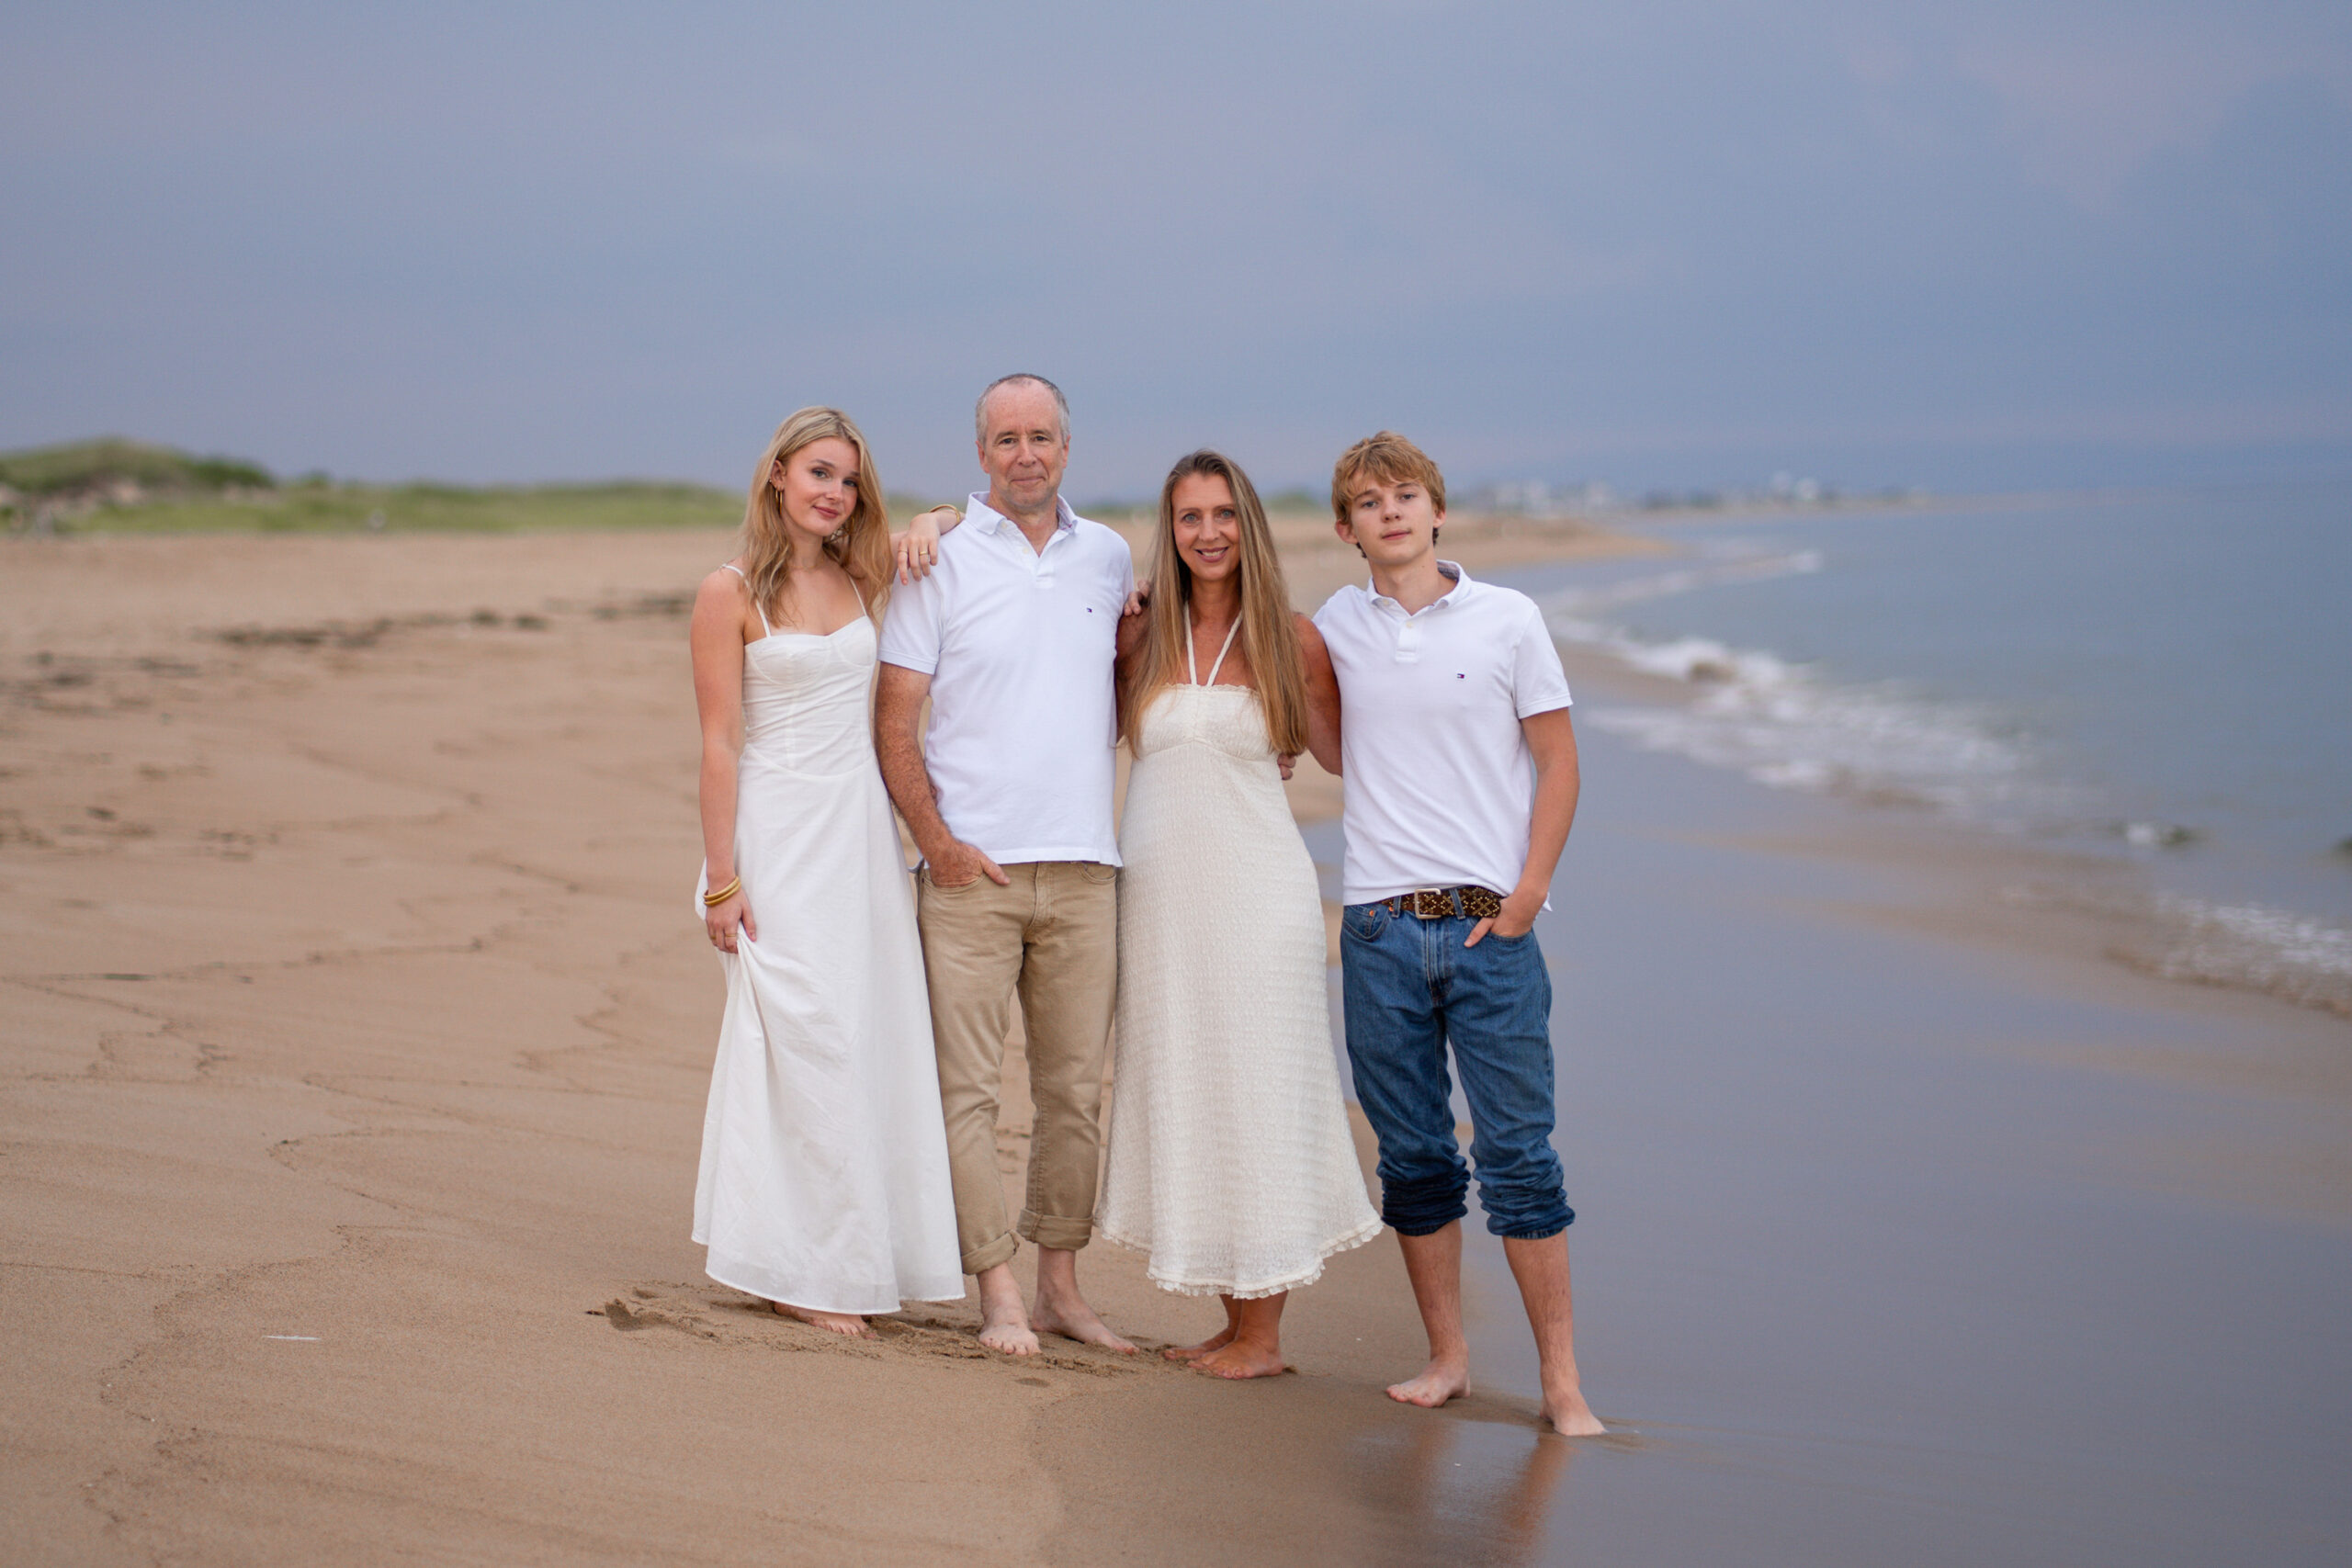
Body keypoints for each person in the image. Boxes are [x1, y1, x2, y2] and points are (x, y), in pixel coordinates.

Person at [1312, 431, 1604, 1434]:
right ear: (1345, 529)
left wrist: (1525, 896)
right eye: (1366, 501)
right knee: (1415, 1157)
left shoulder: (1510, 620)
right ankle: (1447, 1358)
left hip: (1491, 930)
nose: (1388, 512)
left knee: (1521, 1156)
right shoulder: (1333, 627)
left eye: (1404, 495)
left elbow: (1557, 765)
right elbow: (1318, 734)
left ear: (1437, 510)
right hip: (1380, 931)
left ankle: (1562, 1382)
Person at [1093, 449, 1384, 1378]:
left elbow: (1352, 755)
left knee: (1257, 1092)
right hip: (1161, 902)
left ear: (1246, 526)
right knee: (1193, 1090)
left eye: (1223, 514)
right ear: (1169, 533)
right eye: (1189, 517)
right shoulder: (1137, 638)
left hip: (1257, 899)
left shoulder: (1292, 640)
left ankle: (1263, 1336)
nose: (1208, 532)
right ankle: (1234, 1317)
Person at [872, 374, 1136, 1358]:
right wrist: (936, 845)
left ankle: (1061, 1286)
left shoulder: (1107, 556)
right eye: (1006, 439)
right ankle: (997, 1292)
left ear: (1067, 446)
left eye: (1042, 436)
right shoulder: (933, 559)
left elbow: (1132, 667)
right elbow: (895, 719)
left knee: (1074, 1093)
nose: (1025, 453)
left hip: (1083, 870)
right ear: (980, 453)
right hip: (968, 878)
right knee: (967, 1094)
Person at [687, 406, 963, 1337]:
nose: (833, 493)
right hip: (778, 837)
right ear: (777, 477)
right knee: (804, 1044)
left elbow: (974, 523)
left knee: (867, 1037)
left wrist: (928, 522)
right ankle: (794, 1266)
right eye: (817, 474)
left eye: (847, 480)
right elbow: (720, 744)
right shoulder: (727, 593)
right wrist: (722, 880)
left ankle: (849, 1255)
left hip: (858, 840)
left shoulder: (862, 572)